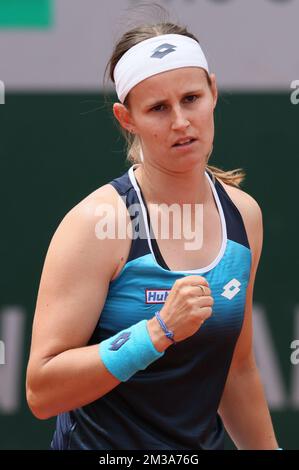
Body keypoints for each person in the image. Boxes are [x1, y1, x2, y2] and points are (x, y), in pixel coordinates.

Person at [26, 21, 281, 450]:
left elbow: (236, 371)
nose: (181, 121)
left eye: (191, 99)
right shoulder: (97, 224)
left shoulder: (244, 214)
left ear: (213, 93)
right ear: (127, 119)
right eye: (158, 108)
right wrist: (158, 331)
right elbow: (43, 392)